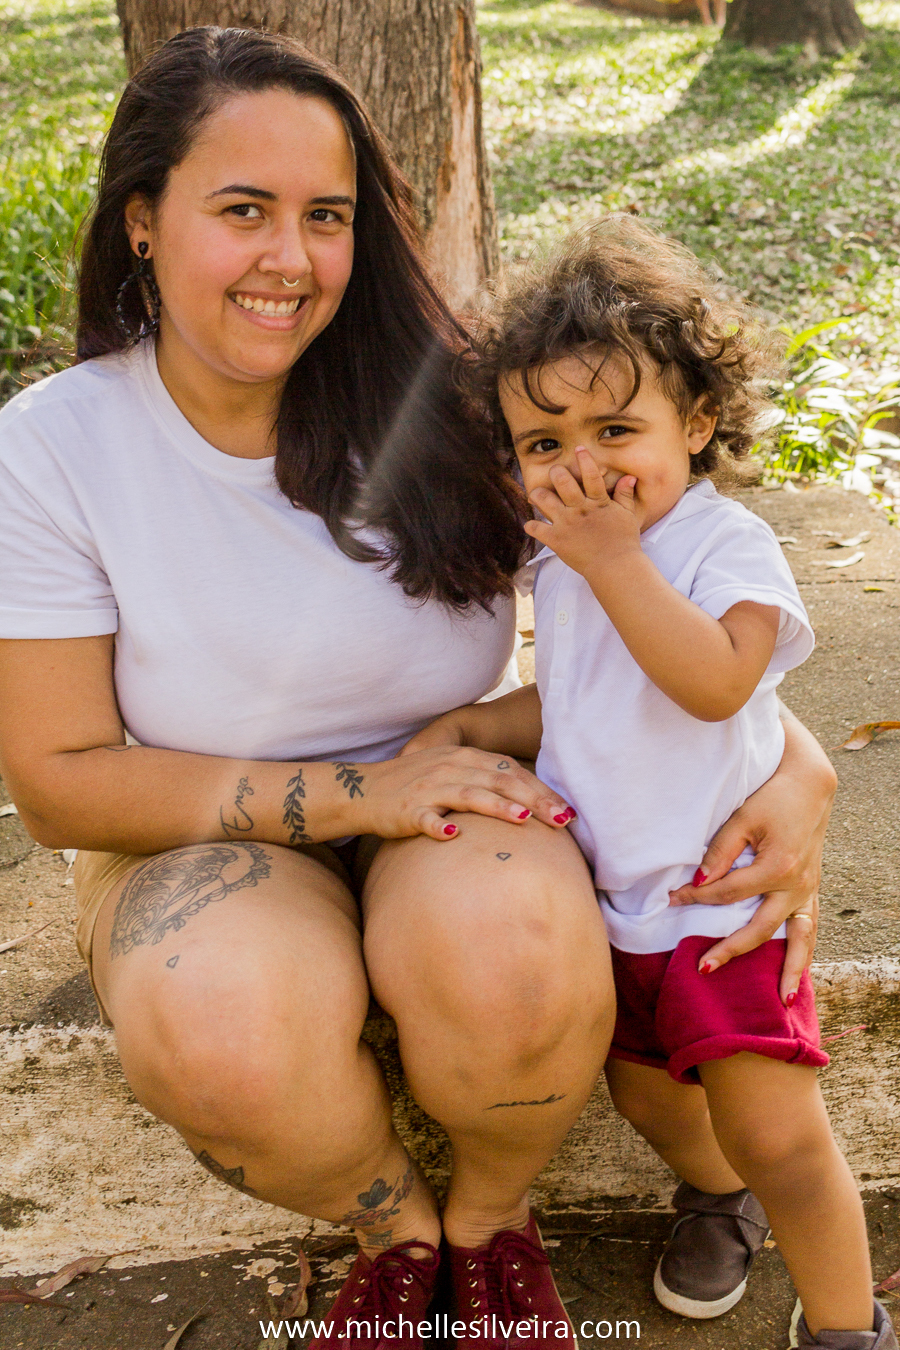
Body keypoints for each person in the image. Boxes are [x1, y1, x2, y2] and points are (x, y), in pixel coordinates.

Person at [0, 29, 834, 1350]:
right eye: (242, 210)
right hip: (196, 821)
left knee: (514, 964)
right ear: (144, 222)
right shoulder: (52, 448)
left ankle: (491, 1218)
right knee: (221, 1029)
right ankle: (390, 1223)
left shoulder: (461, 404)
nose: (290, 257)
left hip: (465, 786)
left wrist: (799, 772)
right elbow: (57, 780)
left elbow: (652, 589)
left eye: (324, 216)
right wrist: (359, 794)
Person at [409, 216, 895, 1350]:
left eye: (616, 427)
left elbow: (717, 685)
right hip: (612, 905)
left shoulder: (719, 547)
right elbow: (585, 696)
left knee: (780, 1134)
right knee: (646, 1097)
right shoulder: (573, 559)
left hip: (723, 906)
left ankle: (846, 1324)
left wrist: (616, 563)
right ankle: (715, 1196)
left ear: (699, 422)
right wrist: (485, 721)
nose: (581, 463)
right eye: (543, 441)